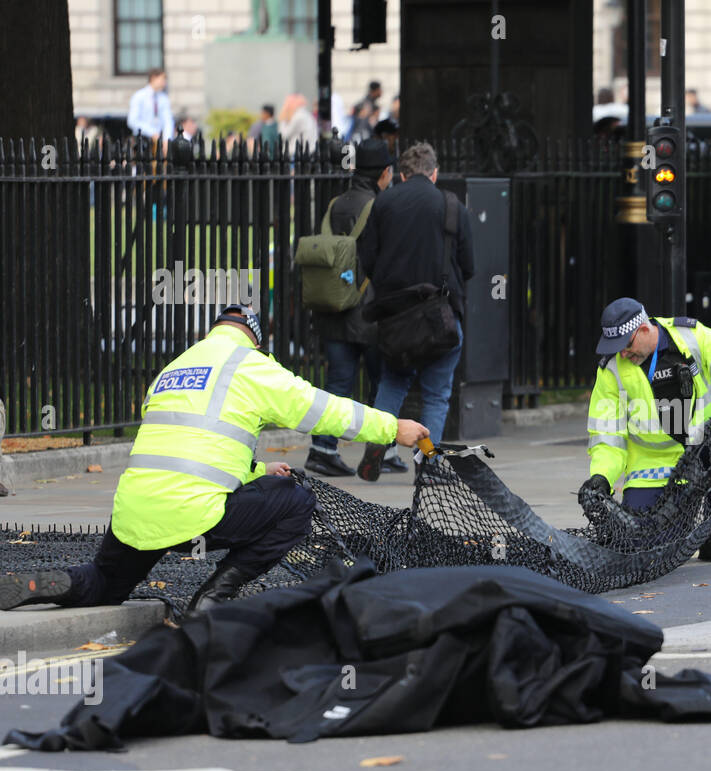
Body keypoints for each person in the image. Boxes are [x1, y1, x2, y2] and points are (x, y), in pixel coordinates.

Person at [0, 306, 429, 615]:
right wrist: (392, 428)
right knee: (296, 502)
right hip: (196, 517)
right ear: (256, 340)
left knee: (105, 584)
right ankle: (211, 601)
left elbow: (195, 446)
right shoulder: (251, 365)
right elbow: (324, 410)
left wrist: (259, 471)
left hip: (136, 512)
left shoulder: (172, 369)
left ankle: (52, 582)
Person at [581, 298, 711, 562]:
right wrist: (601, 477)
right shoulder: (611, 370)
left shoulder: (691, 337)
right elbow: (607, 436)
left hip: (702, 449)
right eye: (617, 347)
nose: (623, 353)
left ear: (644, 330)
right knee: (643, 548)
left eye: (626, 344)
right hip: (651, 466)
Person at [355, 143, 474, 481]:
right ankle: (428, 463)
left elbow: (367, 259)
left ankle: (377, 444)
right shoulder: (452, 206)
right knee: (436, 395)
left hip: (396, 319)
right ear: (434, 173)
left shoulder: (384, 204)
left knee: (393, 382)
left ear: (402, 174)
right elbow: (468, 265)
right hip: (441, 317)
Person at [303, 139, 398, 478]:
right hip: (367, 310)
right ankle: (383, 450)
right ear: (384, 173)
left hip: (332, 306)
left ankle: (322, 449)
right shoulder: (380, 205)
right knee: (381, 382)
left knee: (337, 384)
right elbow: (383, 258)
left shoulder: (335, 204)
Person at [126, 68, 174, 147]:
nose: (164, 83)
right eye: (162, 79)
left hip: (159, 141)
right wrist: (152, 133)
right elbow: (132, 121)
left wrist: (167, 139)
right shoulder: (139, 96)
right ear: (153, 78)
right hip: (142, 139)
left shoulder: (164, 98)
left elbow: (168, 120)